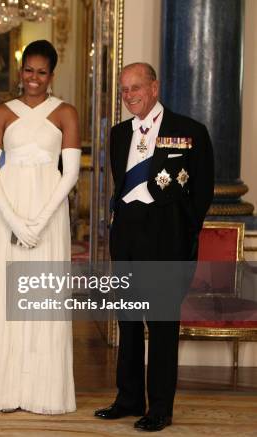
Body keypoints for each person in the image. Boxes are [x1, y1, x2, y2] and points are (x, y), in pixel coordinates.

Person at [94, 63, 214, 432]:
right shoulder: (118, 134)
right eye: (124, 90)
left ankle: (160, 407)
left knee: (161, 326)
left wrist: (181, 233)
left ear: (155, 86)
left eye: (136, 87)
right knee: (129, 322)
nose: (130, 95)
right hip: (128, 236)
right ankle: (129, 398)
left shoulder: (189, 131)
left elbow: (202, 192)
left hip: (166, 238)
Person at [0, 40, 81, 414]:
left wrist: (40, 221)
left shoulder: (65, 112)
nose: (34, 78)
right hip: (7, 211)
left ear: (52, 74)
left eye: (42, 72)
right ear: (20, 71)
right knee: (5, 295)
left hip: (49, 214)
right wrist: (16, 221)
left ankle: (42, 391)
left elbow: (70, 174)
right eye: (28, 70)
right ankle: (1, 387)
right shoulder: (2, 112)